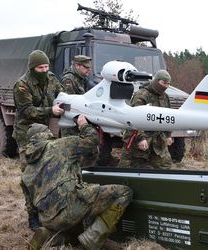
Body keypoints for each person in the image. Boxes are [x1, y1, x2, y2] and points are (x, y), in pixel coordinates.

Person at [23, 115, 133, 250]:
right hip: (72, 206)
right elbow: (92, 141)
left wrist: (41, 224)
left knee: (71, 232)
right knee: (124, 193)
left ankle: (51, 237)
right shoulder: (59, 145)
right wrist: (83, 124)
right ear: (46, 134)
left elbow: (31, 209)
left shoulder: (26, 172)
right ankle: (92, 238)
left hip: (49, 219)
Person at [12, 49, 64, 231]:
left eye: (47, 66)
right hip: (26, 135)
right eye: (41, 67)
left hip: (45, 134)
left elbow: (61, 95)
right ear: (33, 67)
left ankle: (47, 212)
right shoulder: (22, 85)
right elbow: (26, 111)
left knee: (47, 173)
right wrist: (51, 111)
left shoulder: (51, 79)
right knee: (30, 176)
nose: (44, 70)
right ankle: (32, 216)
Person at [61, 55, 116, 166]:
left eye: (89, 67)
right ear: (77, 65)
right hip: (72, 123)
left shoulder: (81, 79)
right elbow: (68, 104)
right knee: (73, 152)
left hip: (81, 120)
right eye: (86, 67)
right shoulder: (69, 80)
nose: (89, 70)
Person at [119, 70, 174, 169]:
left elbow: (168, 116)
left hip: (157, 139)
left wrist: (168, 135)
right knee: (128, 167)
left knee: (165, 166)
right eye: (163, 83)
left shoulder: (165, 97)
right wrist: (141, 138)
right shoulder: (142, 95)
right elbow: (133, 118)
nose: (166, 86)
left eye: (168, 84)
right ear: (156, 81)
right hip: (137, 136)